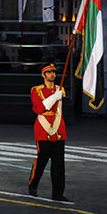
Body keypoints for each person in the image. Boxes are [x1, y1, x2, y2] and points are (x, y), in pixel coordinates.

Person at [28, 63, 69, 202]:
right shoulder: (36, 90)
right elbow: (39, 108)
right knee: (42, 160)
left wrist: (57, 95)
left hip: (58, 130)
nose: (52, 74)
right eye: (49, 72)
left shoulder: (60, 89)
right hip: (43, 129)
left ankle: (57, 193)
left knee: (59, 164)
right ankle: (33, 184)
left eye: (54, 72)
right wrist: (53, 98)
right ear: (43, 75)